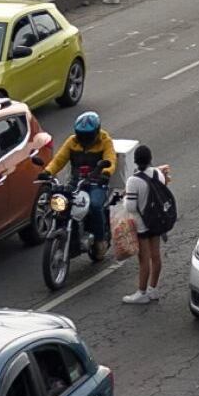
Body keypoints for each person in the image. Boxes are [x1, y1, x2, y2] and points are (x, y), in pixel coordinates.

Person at [41, 111, 116, 259]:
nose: (83, 139)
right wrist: (47, 172)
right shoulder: (72, 141)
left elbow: (111, 159)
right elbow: (58, 160)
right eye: (81, 135)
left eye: (87, 135)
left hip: (96, 183)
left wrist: (105, 173)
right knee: (61, 203)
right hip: (76, 182)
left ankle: (100, 240)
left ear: (96, 132)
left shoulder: (105, 141)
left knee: (95, 206)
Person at [121, 145, 171, 304]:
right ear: (150, 159)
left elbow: (130, 207)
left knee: (144, 258)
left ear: (135, 161)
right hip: (156, 221)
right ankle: (153, 289)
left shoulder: (133, 180)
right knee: (155, 256)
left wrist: (124, 197)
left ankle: (141, 292)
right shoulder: (158, 174)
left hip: (141, 224)